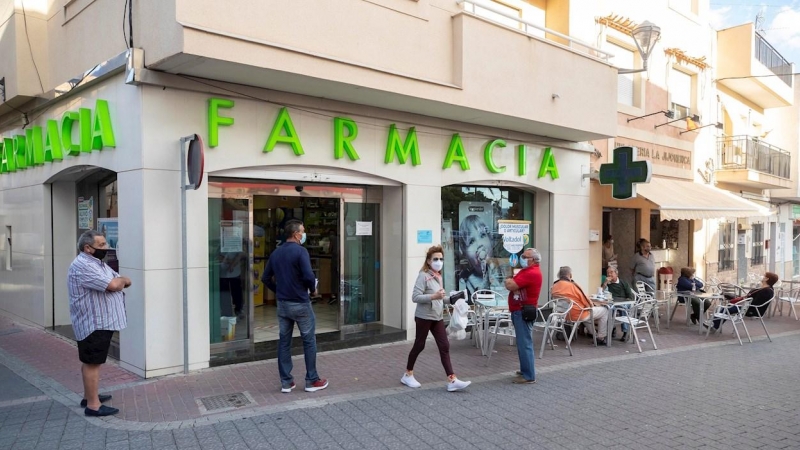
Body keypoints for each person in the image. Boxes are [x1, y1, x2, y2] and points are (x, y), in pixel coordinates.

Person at [67, 230, 131, 417]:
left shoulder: (97, 264)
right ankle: (93, 406)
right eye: (101, 245)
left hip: (100, 321)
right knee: (92, 363)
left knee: (91, 361)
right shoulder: (84, 265)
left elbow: (120, 280)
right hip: (94, 323)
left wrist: (121, 280)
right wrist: (121, 281)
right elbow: (114, 284)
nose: (106, 247)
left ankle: (90, 396)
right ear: (88, 248)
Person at [262, 219, 328, 394]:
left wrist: (279, 290)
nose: (304, 234)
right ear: (296, 234)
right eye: (303, 231)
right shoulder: (301, 252)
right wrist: (313, 289)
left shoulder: (276, 253)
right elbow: (308, 275)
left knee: (284, 342)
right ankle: (312, 380)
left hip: (283, 304)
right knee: (309, 341)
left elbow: (265, 278)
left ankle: (286, 382)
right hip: (300, 303)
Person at [401, 245, 471, 392]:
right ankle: (408, 374)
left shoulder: (438, 276)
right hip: (424, 317)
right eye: (435, 259)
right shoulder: (423, 276)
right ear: (428, 261)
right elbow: (415, 297)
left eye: (441, 259)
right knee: (419, 345)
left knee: (444, 346)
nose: (439, 261)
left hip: (437, 317)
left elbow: (440, 298)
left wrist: (452, 299)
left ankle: (452, 379)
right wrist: (434, 296)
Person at [503, 248, 543, 384]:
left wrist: (509, 280)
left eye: (525, 257)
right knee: (522, 343)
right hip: (520, 310)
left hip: (523, 311)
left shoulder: (531, 273)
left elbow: (511, 285)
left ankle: (528, 375)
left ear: (533, 260)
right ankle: (525, 369)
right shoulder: (527, 271)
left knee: (524, 343)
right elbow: (512, 284)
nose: (522, 258)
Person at [552, 266, 609, 345]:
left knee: (588, 313)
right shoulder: (573, 286)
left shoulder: (555, 285)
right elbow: (586, 301)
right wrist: (592, 305)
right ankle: (601, 337)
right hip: (577, 314)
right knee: (604, 311)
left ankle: (594, 334)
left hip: (563, 315)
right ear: (570, 275)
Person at [707, 272, 778, 331]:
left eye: (764, 276)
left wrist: (742, 303)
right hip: (749, 308)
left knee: (726, 309)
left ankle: (713, 325)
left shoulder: (766, 291)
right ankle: (713, 325)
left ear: (767, 279)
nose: (762, 277)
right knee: (728, 307)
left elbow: (755, 303)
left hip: (753, 310)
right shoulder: (766, 289)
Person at [457, 214, 504, 294]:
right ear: (465, 252)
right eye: (471, 241)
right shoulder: (464, 281)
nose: (479, 244)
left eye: (482, 235)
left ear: (490, 239)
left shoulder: (503, 272)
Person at [601, 266, 634, 341]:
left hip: (623, 302)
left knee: (623, 309)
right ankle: (612, 329)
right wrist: (605, 282)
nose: (609, 274)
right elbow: (601, 293)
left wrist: (625, 301)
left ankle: (625, 332)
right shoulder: (607, 284)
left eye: (611, 272)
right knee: (608, 309)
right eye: (608, 273)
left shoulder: (623, 283)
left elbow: (630, 296)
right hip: (612, 303)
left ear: (616, 274)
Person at [220, 244, 246, 318]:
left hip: (235, 273)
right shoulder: (221, 242)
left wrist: (232, 263)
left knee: (237, 294)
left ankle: (239, 310)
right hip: (223, 273)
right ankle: (226, 313)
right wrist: (231, 262)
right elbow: (219, 257)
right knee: (224, 295)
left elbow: (242, 254)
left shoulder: (236, 242)